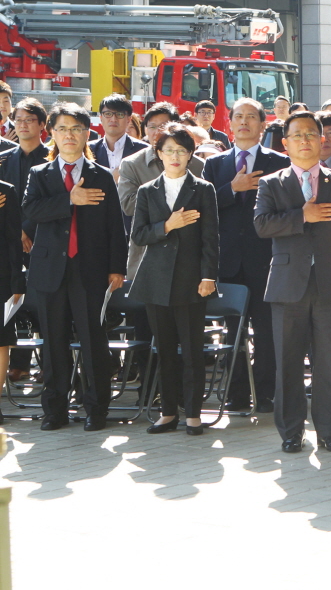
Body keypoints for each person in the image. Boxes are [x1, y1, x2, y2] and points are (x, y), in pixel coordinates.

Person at [254, 111, 331, 454]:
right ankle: (291, 432)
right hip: (288, 285)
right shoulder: (271, 183)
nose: (305, 140)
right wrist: (301, 215)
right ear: (285, 143)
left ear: (322, 140)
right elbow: (262, 225)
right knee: (288, 361)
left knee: (329, 361)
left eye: (311, 134)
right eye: (297, 135)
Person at [23, 102, 127, 431]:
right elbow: (29, 212)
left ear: (87, 134)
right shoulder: (39, 174)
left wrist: (117, 269)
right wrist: (69, 199)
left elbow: (115, 226)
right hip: (50, 272)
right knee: (53, 343)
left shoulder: (101, 176)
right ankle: (54, 410)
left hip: (91, 272)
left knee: (93, 340)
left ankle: (96, 410)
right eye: (63, 129)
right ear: (51, 133)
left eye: (77, 129)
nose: (70, 135)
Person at [201, 98, 290, 413]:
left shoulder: (278, 161)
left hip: (265, 259)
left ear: (262, 125)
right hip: (228, 261)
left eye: (251, 117)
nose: (244, 122)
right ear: (229, 124)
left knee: (266, 331)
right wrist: (231, 188)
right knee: (232, 331)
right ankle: (237, 392)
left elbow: (285, 209)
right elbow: (204, 209)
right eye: (238, 116)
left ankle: (265, 392)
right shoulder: (215, 164)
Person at [129, 123, 218, 436]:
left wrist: (209, 277)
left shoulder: (203, 189)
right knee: (164, 350)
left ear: (191, 154)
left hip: (192, 281)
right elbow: (139, 234)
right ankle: (167, 412)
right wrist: (168, 225)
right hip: (155, 280)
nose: (175, 156)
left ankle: (193, 414)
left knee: (193, 350)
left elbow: (211, 239)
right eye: (169, 150)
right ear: (158, 154)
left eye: (182, 150)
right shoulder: (146, 191)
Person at [119, 103, 204, 283]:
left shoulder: (197, 164)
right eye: (151, 126)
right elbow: (127, 205)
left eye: (163, 126)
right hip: (147, 253)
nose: (157, 131)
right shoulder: (132, 164)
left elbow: (201, 207)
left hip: (186, 254)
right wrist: (171, 217)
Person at [0, 97, 50, 382]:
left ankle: (48, 363)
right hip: (9, 242)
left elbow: (46, 200)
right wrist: (15, 232)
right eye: (18, 120)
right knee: (14, 299)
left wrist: (26, 230)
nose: (23, 125)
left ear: (42, 125)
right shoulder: (5, 158)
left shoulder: (51, 157)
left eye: (30, 120)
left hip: (41, 240)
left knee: (43, 303)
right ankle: (18, 361)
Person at [0, 169, 24, 421]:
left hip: (2, 277)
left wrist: (17, 280)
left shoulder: (5, 190)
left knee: (1, 339)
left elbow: (12, 239)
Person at [93, 95, 148, 184]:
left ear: (129, 119)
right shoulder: (88, 149)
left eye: (120, 114)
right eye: (108, 114)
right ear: (101, 118)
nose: (113, 119)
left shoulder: (144, 150)